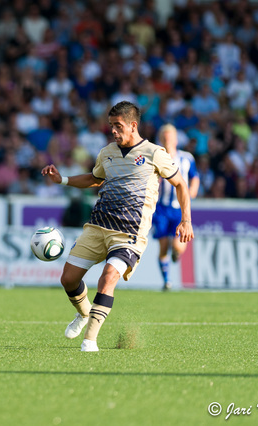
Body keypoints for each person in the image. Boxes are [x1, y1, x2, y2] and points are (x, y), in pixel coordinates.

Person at [41, 101, 194, 352]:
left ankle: (90, 341)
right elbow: (94, 179)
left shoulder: (155, 153)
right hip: (98, 226)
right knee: (68, 279)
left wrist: (186, 220)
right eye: (111, 125)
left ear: (133, 125)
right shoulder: (107, 152)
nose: (113, 130)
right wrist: (63, 179)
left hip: (129, 233)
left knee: (108, 277)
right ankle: (83, 314)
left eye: (118, 126)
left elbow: (180, 185)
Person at [152, 124, 200, 291]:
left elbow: (195, 177)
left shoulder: (186, 158)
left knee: (178, 246)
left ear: (176, 139)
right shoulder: (155, 157)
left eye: (170, 137)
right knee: (163, 245)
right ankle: (167, 280)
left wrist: (193, 190)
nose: (167, 141)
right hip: (161, 208)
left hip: (179, 209)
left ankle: (176, 253)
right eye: (164, 138)